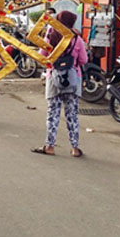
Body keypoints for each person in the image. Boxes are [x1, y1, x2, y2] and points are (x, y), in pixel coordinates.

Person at [32, 10, 86, 157]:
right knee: (72, 115)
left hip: (53, 78)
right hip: (73, 79)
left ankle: (50, 146)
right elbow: (83, 60)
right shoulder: (76, 39)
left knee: (53, 113)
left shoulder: (51, 36)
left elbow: (42, 56)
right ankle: (75, 148)